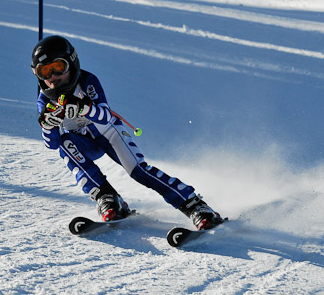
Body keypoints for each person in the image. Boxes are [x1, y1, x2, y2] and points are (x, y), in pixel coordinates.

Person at [31, 35, 223, 230]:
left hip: (109, 134)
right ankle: (106, 197)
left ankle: (195, 206)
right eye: (44, 71)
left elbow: (105, 116)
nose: (52, 77)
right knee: (65, 145)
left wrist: (83, 108)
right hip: (84, 142)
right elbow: (52, 144)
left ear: (71, 63)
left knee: (139, 171)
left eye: (57, 67)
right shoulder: (44, 100)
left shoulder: (87, 81)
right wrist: (47, 125)